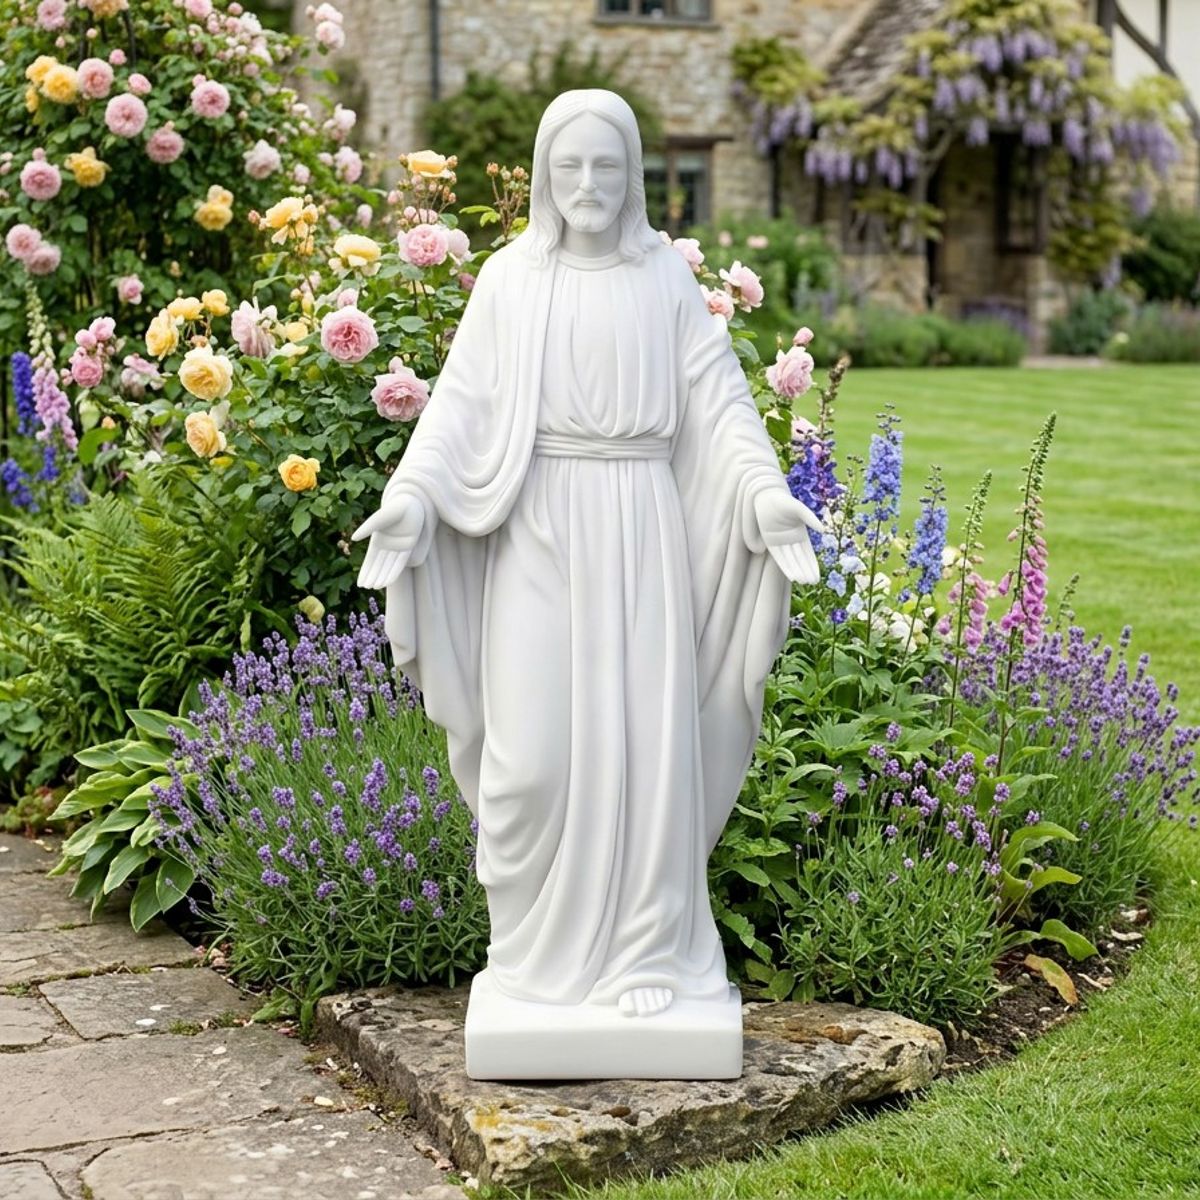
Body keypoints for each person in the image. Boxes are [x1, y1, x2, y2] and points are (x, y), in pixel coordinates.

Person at [353, 89, 822, 1026]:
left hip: (640, 524)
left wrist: (764, 493)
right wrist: (410, 497)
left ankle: (645, 945)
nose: (587, 184)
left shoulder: (663, 283)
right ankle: (530, 954)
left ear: (634, 174)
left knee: (644, 750)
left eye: (606, 165)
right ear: (543, 175)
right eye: (569, 166)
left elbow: (720, 402)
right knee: (527, 758)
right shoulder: (511, 280)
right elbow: (460, 405)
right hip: (537, 523)